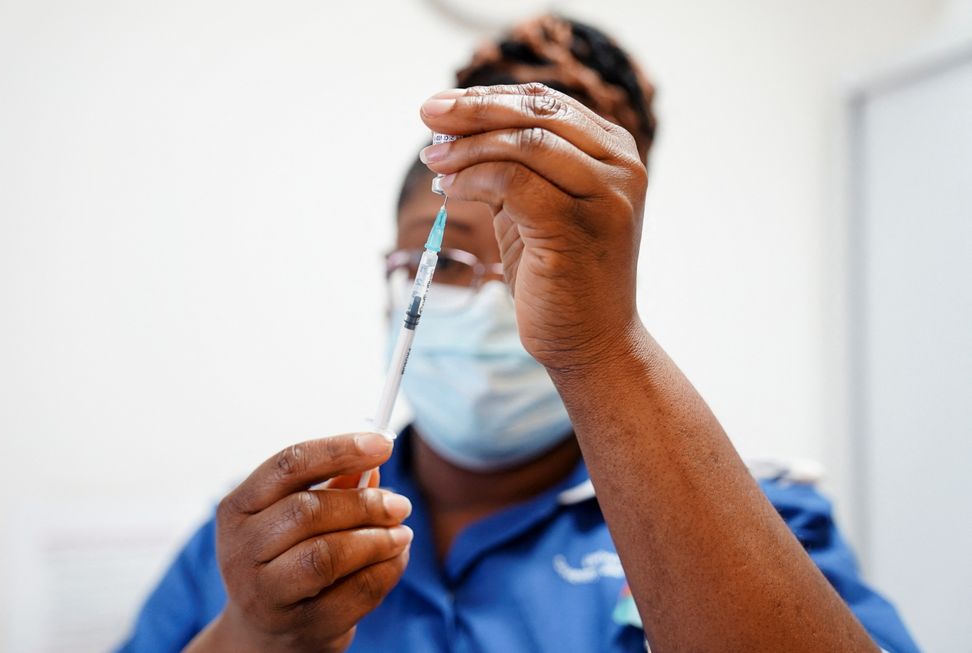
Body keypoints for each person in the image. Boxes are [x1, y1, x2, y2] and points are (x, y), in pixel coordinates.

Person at [119, 15, 918, 653]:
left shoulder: (758, 523)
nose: (501, 301)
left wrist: (600, 348)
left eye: (539, 260)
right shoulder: (268, 547)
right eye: (454, 262)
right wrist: (253, 636)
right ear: (397, 271)